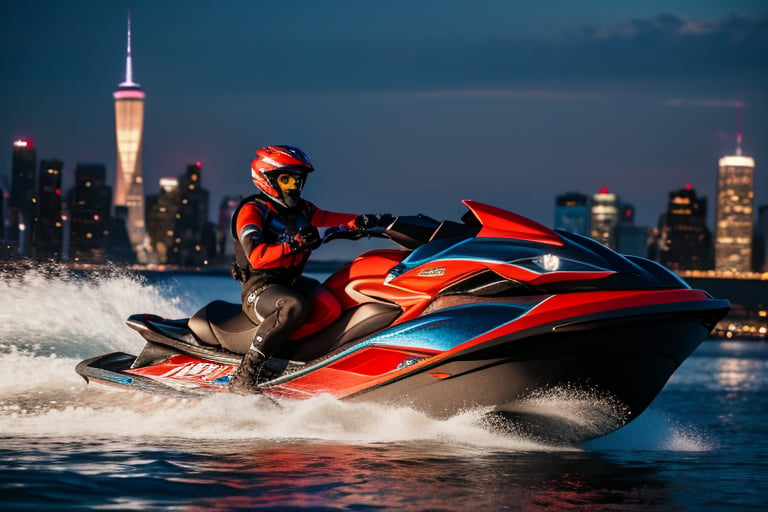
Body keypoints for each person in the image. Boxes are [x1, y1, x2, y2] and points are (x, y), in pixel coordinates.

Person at [229, 144, 391, 394]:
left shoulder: (305, 210)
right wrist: (293, 245)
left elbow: (335, 220)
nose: (293, 186)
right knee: (294, 306)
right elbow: (257, 258)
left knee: (335, 295)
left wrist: (373, 221)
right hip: (260, 289)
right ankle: (246, 374)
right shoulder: (253, 210)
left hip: (290, 283)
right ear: (266, 178)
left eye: (297, 180)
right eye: (286, 180)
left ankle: (314, 361)